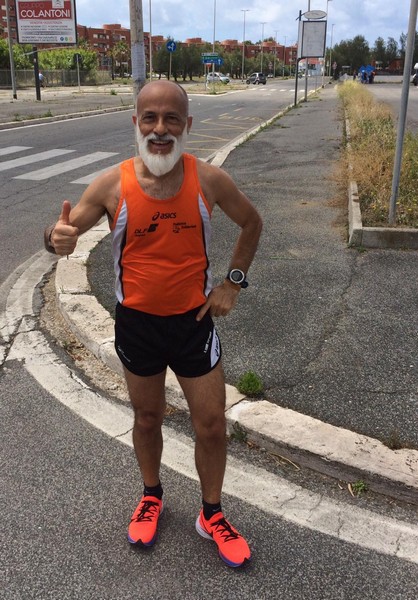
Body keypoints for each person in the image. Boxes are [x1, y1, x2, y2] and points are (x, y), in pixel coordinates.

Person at [44, 80, 262, 568]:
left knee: (210, 424)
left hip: (193, 324)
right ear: (136, 124)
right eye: (150, 118)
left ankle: (211, 512)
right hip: (137, 325)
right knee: (146, 418)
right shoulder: (110, 185)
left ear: (187, 125)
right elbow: (66, 229)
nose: (160, 129)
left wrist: (232, 283)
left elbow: (252, 222)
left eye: (170, 119)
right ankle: (151, 495)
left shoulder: (207, 180)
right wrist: (54, 236)